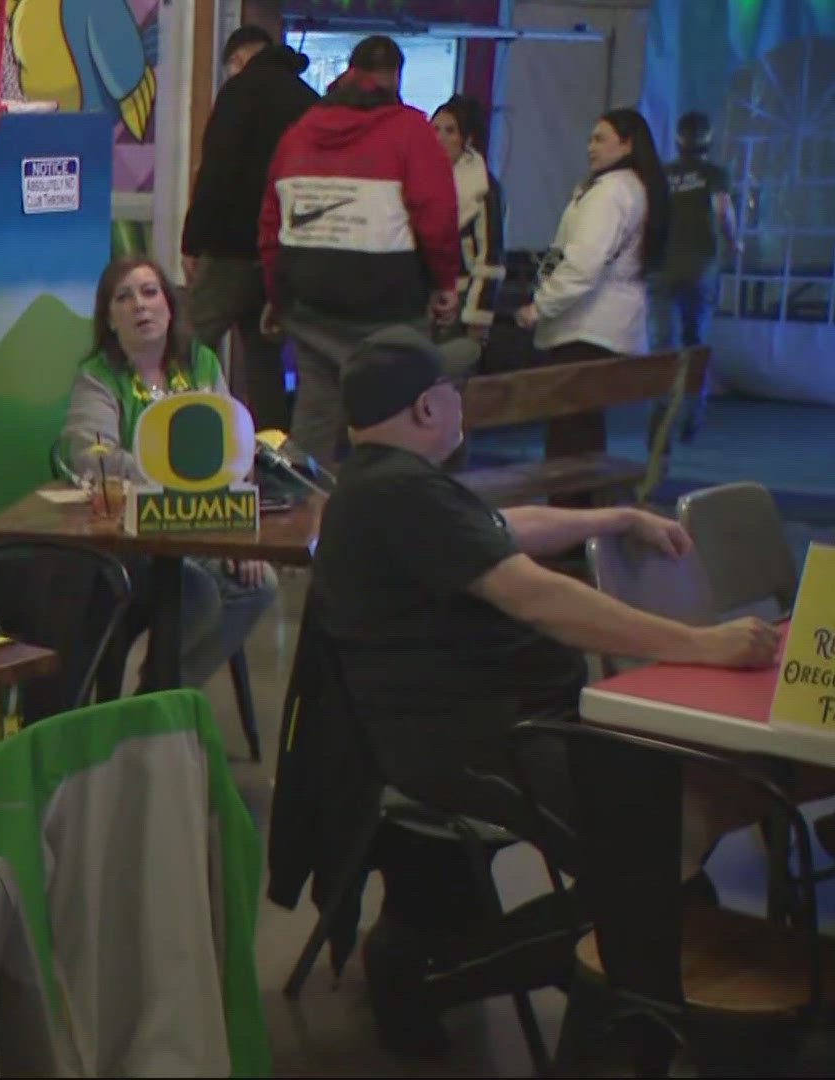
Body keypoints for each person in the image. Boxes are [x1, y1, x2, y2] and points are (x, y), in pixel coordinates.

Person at [311, 327, 782, 1046]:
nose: (462, 400)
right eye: (454, 389)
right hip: (488, 743)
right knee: (657, 855)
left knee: (672, 835)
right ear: (428, 409)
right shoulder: (401, 494)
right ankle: (443, 981)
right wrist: (701, 645)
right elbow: (541, 600)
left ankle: (600, 979)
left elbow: (500, 528)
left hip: (485, 729)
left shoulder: (385, 484)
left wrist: (615, 515)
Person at [60, 254, 276, 688]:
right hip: (129, 538)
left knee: (259, 585)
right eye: (124, 297)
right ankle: (154, 705)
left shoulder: (201, 363)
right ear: (110, 319)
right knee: (196, 593)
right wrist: (182, 477)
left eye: (149, 292)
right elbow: (92, 456)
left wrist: (237, 537)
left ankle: (163, 694)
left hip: (202, 528)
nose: (140, 305)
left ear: (170, 305)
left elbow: (236, 451)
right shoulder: (98, 376)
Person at [258, 35, 465, 467]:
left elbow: (271, 225)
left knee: (314, 421)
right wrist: (445, 283)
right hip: (389, 308)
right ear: (394, 77)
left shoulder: (296, 135)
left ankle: (308, 521)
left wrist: (277, 298)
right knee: (395, 427)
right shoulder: (410, 131)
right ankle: (385, 515)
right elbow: (437, 215)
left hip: (310, 305)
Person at [180, 24, 317, 429]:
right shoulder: (308, 99)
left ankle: (157, 430)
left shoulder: (239, 93)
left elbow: (216, 172)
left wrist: (193, 241)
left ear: (238, 60)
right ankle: (271, 457)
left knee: (181, 343)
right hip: (285, 255)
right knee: (264, 360)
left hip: (231, 248)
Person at [516, 108, 669, 363]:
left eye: (600, 139)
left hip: (586, 330)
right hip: (616, 327)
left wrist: (540, 306)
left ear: (627, 144)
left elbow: (583, 264)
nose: (591, 147)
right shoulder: (637, 188)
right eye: (590, 140)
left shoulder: (608, 193)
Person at [656, 110, 738, 440]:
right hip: (700, 266)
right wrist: (734, 243)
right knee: (695, 343)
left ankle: (662, 414)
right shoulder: (715, 174)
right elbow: (722, 211)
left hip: (664, 267)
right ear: (709, 138)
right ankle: (692, 413)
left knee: (664, 344)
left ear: (678, 139)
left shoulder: (664, 174)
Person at [430, 95, 504, 335]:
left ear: (467, 139)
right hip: (422, 297)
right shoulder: (423, 179)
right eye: (435, 129)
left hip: (463, 296)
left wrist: (477, 317)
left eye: (450, 131)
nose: (440, 138)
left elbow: (490, 256)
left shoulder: (482, 187)